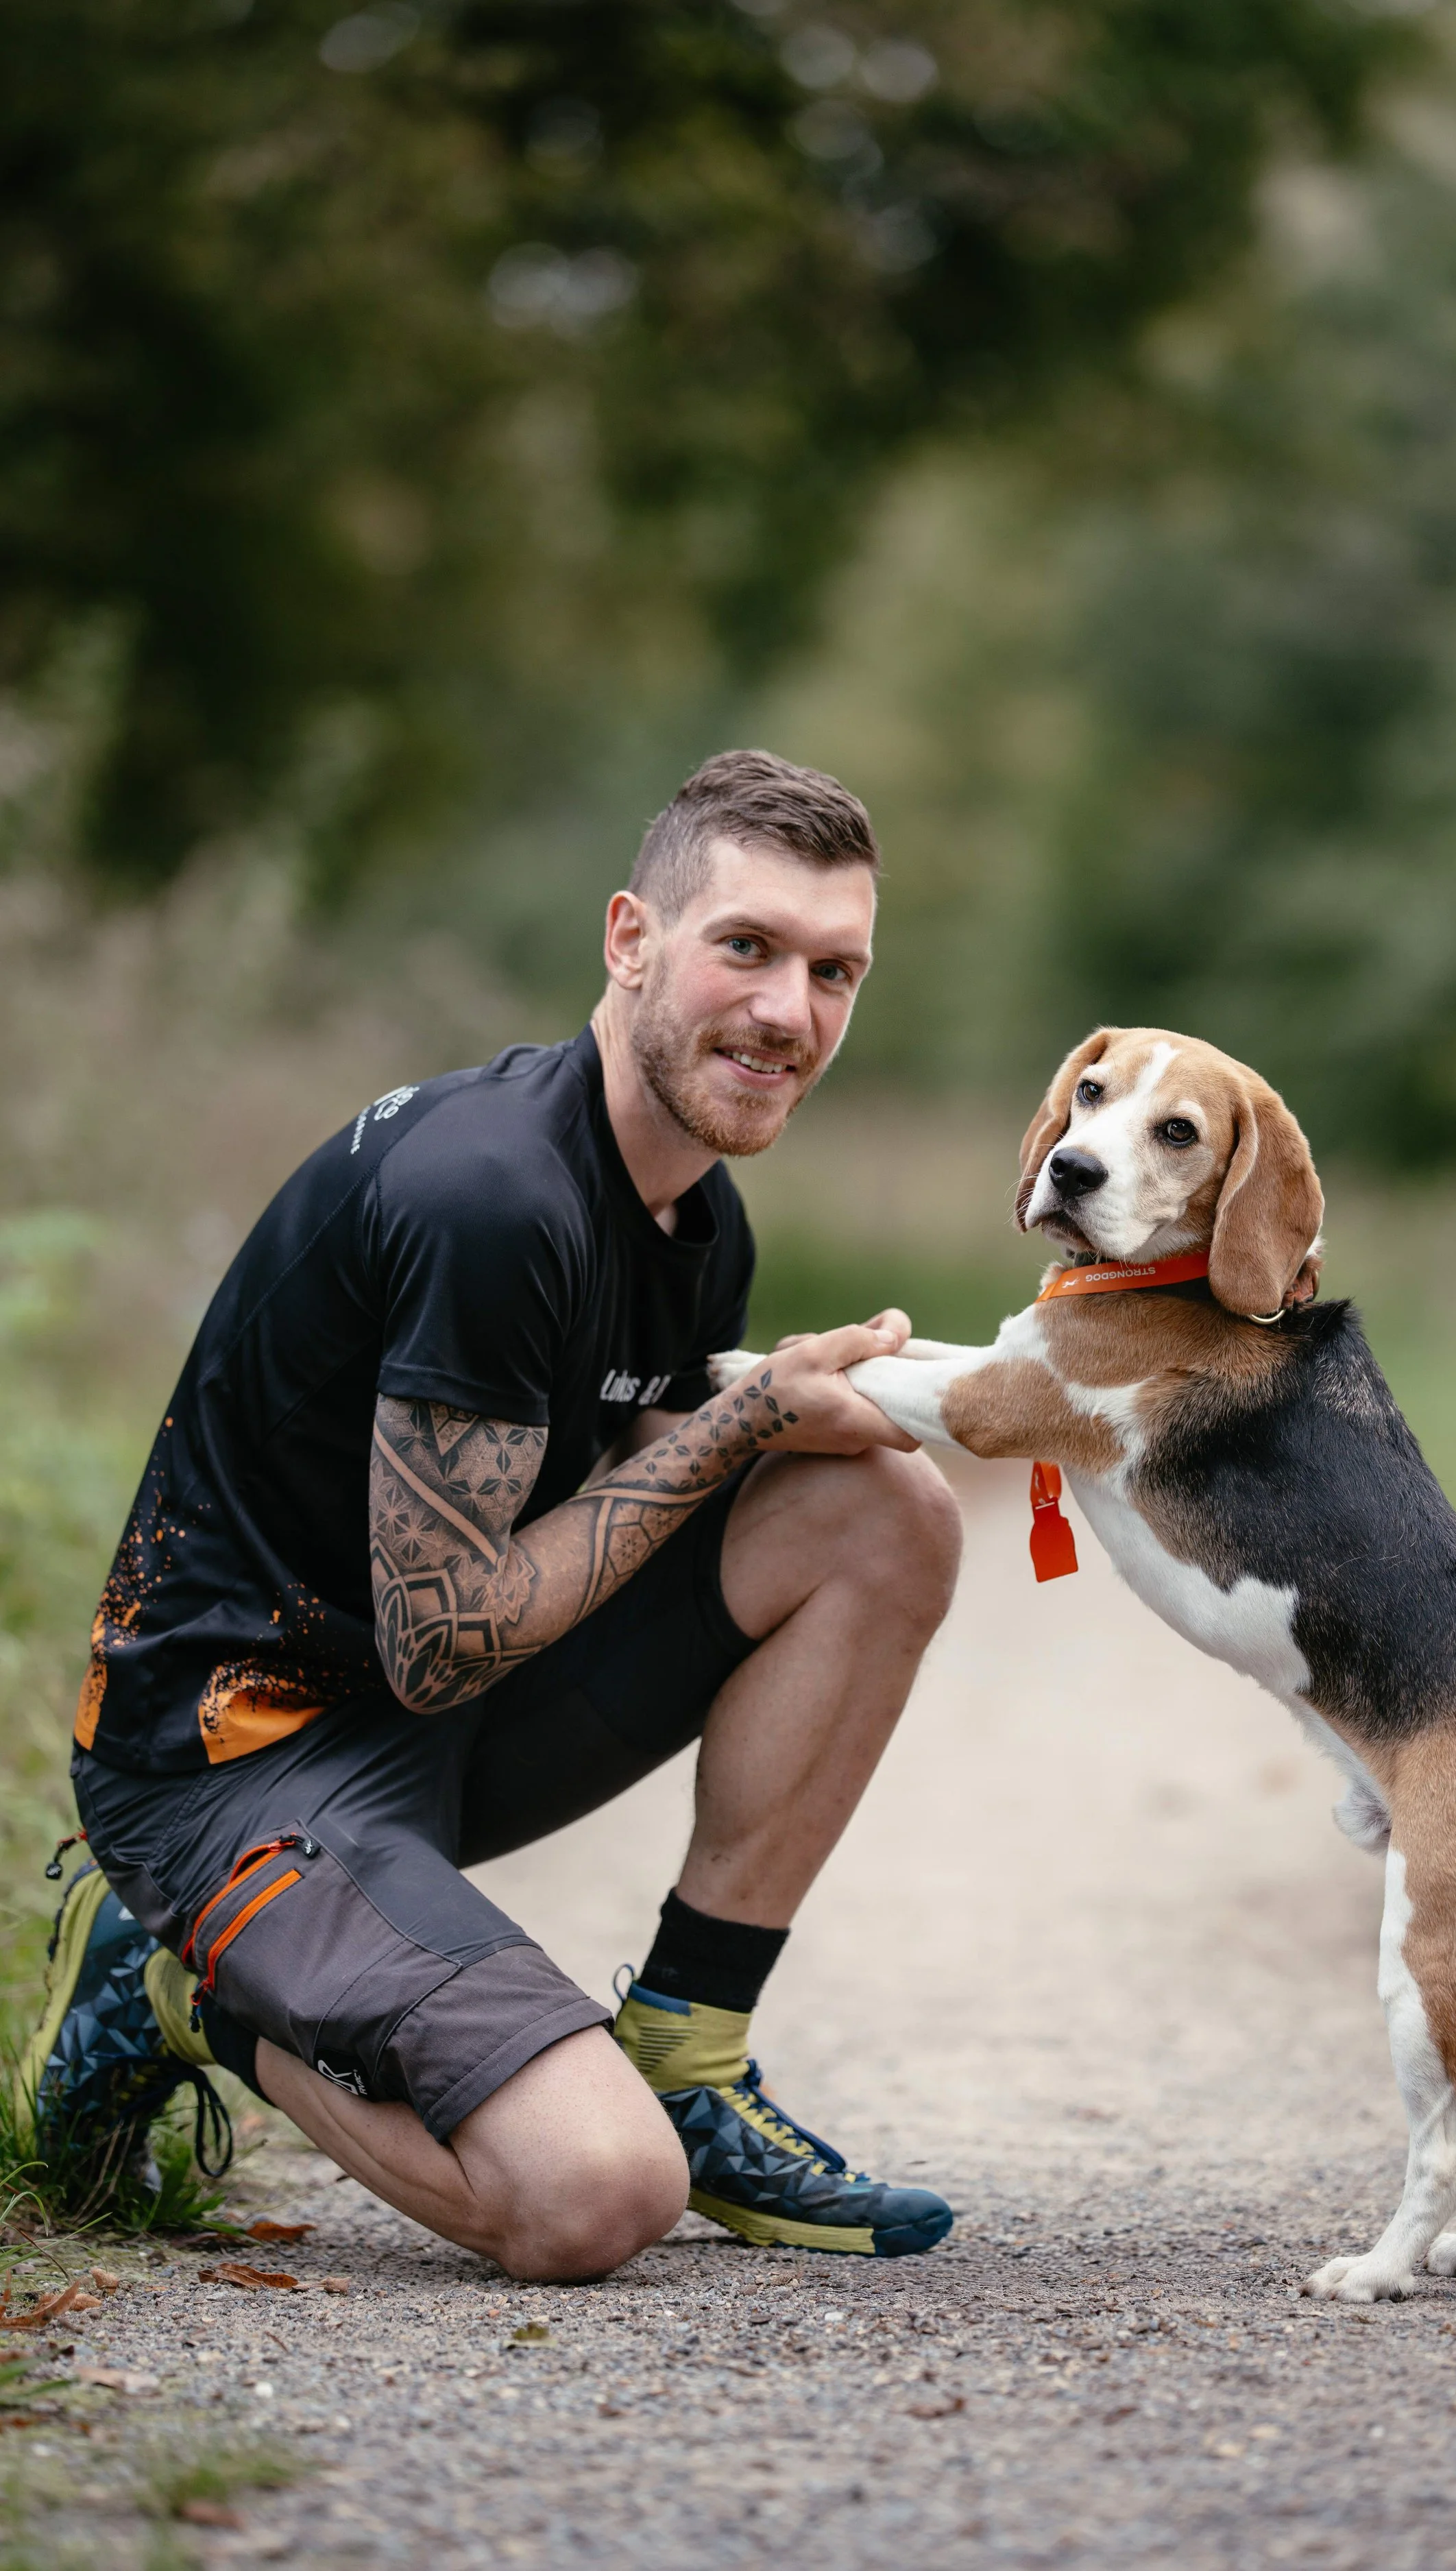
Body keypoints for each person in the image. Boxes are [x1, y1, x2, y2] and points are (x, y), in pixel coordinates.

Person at [17, 749, 964, 2277]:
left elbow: (652, 1494)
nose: (790, 1012)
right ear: (628, 940)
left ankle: (688, 2050)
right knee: (594, 2199)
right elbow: (442, 1641)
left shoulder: (689, 1210)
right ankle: (170, 1992)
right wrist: (740, 1419)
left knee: (884, 1513)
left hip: (421, 1721)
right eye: (747, 948)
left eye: (832, 970)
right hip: (231, 1770)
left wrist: (897, 1417)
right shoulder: (491, 1197)